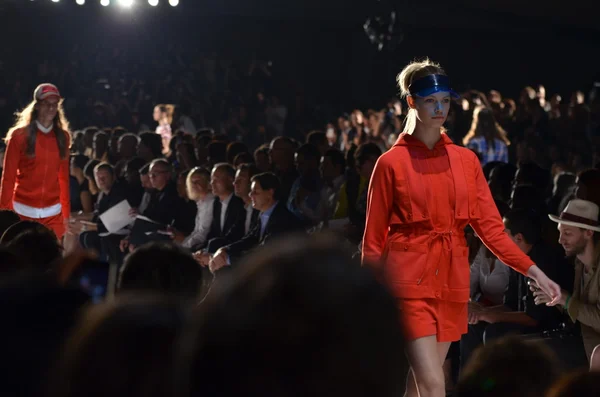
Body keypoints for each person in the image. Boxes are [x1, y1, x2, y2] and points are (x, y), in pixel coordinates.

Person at [361, 59, 561, 397]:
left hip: (451, 281)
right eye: (430, 100)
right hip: (407, 282)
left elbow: (492, 230)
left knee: (421, 381)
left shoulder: (466, 161)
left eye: (446, 101)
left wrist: (535, 272)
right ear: (412, 101)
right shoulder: (390, 164)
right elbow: (372, 241)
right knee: (434, 384)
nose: (440, 109)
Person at [0, 84, 71, 239]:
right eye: (47, 103)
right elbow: (8, 178)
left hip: (54, 214)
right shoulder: (18, 136)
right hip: (22, 211)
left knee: (53, 260)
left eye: (55, 104)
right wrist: (4, 214)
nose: (51, 108)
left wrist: (66, 214)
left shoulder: (63, 137)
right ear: (37, 105)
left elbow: (63, 178)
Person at [534, 199, 600, 362]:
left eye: (568, 233)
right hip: (580, 340)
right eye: (560, 232)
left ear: (588, 233)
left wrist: (566, 300)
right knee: (518, 348)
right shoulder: (579, 263)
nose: (560, 240)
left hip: (593, 349)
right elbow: (576, 309)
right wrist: (556, 299)